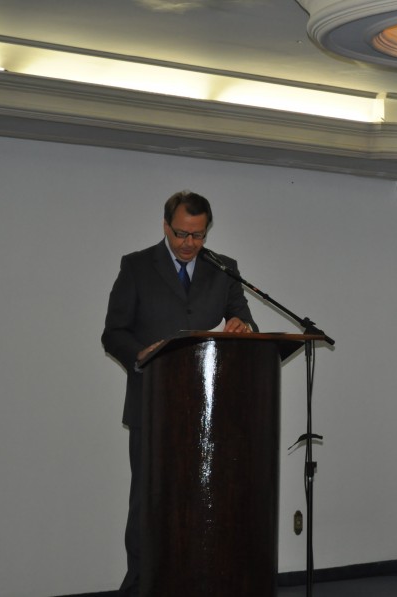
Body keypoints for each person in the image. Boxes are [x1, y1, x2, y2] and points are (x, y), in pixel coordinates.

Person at [102, 190, 258, 596]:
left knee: (204, 504)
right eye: (181, 234)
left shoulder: (223, 268)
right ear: (165, 226)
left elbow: (245, 320)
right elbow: (113, 332)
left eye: (198, 235)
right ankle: (141, 587)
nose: (189, 244)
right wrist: (141, 353)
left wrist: (242, 325)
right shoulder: (136, 266)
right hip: (152, 407)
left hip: (210, 412)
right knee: (149, 505)